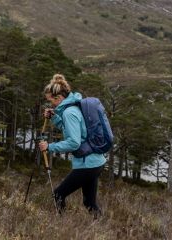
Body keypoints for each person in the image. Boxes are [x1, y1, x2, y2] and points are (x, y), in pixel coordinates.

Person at [38, 74, 106, 216]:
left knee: (58, 195)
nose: (51, 104)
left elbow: (74, 142)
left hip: (87, 164)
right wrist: (55, 118)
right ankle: (100, 226)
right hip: (96, 162)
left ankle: (62, 227)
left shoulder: (69, 112)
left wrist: (49, 147)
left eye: (51, 101)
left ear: (59, 98)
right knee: (89, 203)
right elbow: (73, 129)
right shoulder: (75, 105)